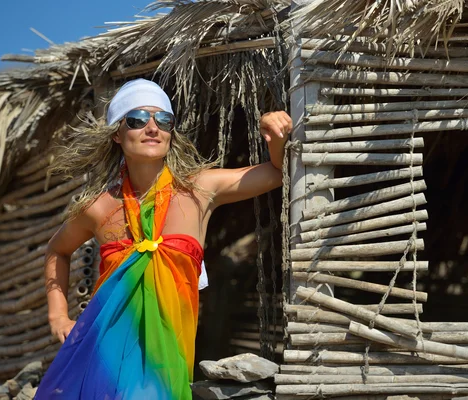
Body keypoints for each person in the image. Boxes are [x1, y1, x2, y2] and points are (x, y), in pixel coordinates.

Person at [35, 79, 292, 399]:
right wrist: (57, 315)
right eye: (138, 119)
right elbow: (57, 250)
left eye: (164, 120)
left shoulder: (201, 190)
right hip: (102, 357)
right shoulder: (98, 207)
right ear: (117, 133)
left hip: (168, 358)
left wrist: (275, 137)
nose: (152, 127)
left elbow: (277, 172)